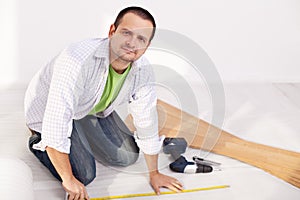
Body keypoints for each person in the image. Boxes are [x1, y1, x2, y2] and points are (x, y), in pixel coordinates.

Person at [24, 6, 183, 200]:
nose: (132, 43)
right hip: (50, 111)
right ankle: (37, 140)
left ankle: (79, 132)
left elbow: (147, 120)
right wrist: (68, 179)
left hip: (90, 109)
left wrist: (154, 173)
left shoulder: (143, 71)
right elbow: (57, 120)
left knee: (128, 156)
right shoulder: (77, 60)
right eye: (126, 33)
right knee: (84, 174)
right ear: (111, 31)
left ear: (147, 46)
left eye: (141, 39)